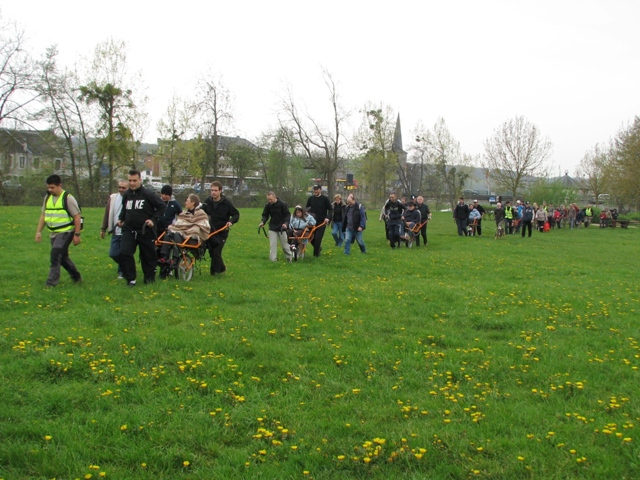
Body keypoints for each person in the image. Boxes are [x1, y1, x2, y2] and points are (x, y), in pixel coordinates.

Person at [117, 169, 166, 286]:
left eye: (134, 180)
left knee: (148, 256)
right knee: (124, 252)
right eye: (130, 180)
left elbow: (161, 206)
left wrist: (153, 220)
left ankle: (149, 278)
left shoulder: (148, 194)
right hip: (129, 229)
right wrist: (121, 219)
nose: (132, 183)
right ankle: (131, 279)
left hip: (145, 230)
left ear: (140, 180)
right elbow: (124, 209)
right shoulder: (127, 194)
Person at [35, 174, 83, 287]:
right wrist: (38, 231)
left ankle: (51, 283)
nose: (50, 190)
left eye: (52, 187)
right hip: (53, 233)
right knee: (63, 258)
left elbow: (77, 217)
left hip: (66, 232)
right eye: (48, 187)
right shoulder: (47, 198)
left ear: (59, 185)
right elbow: (43, 216)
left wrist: (77, 234)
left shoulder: (68, 198)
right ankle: (76, 277)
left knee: (55, 255)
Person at [159, 194, 210, 274]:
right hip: (182, 234)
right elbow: (179, 225)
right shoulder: (183, 214)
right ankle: (164, 258)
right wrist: (174, 228)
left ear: (193, 203)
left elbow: (203, 226)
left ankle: (175, 259)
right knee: (169, 233)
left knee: (176, 235)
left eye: (187, 201)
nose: (185, 202)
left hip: (192, 238)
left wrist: (188, 230)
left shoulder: (201, 214)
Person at [201, 181, 240, 276]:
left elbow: (236, 214)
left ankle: (213, 273)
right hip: (211, 231)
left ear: (220, 191)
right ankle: (221, 268)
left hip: (222, 231)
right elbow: (201, 212)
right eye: (212, 190)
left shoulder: (226, 203)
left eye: (215, 190)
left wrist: (230, 222)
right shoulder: (207, 202)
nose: (213, 192)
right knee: (211, 252)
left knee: (216, 252)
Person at [100, 180, 128, 279]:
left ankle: (122, 272)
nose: (121, 189)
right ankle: (127, 267)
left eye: (123, 188)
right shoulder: (113, 198)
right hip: (116, 231)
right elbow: (107, 213)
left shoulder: (131, 198)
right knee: (113, 253)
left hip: (126, 231)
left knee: (123, 252)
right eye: (119, 187)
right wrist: (103, 228)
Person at [259, 191, 293, 262]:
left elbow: (287, 215)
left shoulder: (283, 204)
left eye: (271, 199)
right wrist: (263, 222)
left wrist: (286, 223)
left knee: (285, 246)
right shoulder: (268, 205)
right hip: (272, 227)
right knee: (273, 245)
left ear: (275, 197)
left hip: (282, 228)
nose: (269, 201)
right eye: (268, 199)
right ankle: (273, 260)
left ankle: (289, 258)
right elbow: (265, 215)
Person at [306, 184, 332, 257]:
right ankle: (318, 248)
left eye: (317, 189)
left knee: (318, 239)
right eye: (314, 189)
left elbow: (330, 209)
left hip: (321, 222)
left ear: (320, 190)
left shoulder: (325, 199)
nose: (315, 191)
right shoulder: (310, 199)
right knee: (310, 237)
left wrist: (327, 217)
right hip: (312, 222)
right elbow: (307, 209)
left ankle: (316, 255)